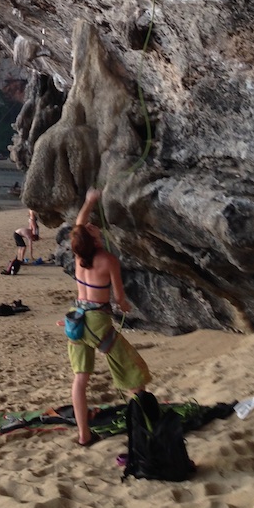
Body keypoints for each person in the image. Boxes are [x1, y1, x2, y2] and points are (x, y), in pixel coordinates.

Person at [67, 188, 150, 446]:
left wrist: (90, 200)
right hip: (98, 323)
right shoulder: (108, 260)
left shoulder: (80, 255)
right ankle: (147, 423)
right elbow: (119, 297)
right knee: (131, 371)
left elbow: (79, 225)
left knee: (80, 378)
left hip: (76, 320)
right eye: (91, 229)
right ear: (91, 239)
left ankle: (84, 435)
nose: (92, 226)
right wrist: (125, 306)